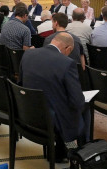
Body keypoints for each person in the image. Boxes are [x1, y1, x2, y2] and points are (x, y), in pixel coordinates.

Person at [20, 32, 88, 160]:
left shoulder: (28, 54)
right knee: (84, 108)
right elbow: (77, 101)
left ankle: (65, 149)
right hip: (52, 122)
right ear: (68, 48)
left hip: (27, 113)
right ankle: (78, 153)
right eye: (70, 51)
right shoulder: (67, 63)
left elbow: (21, 83)